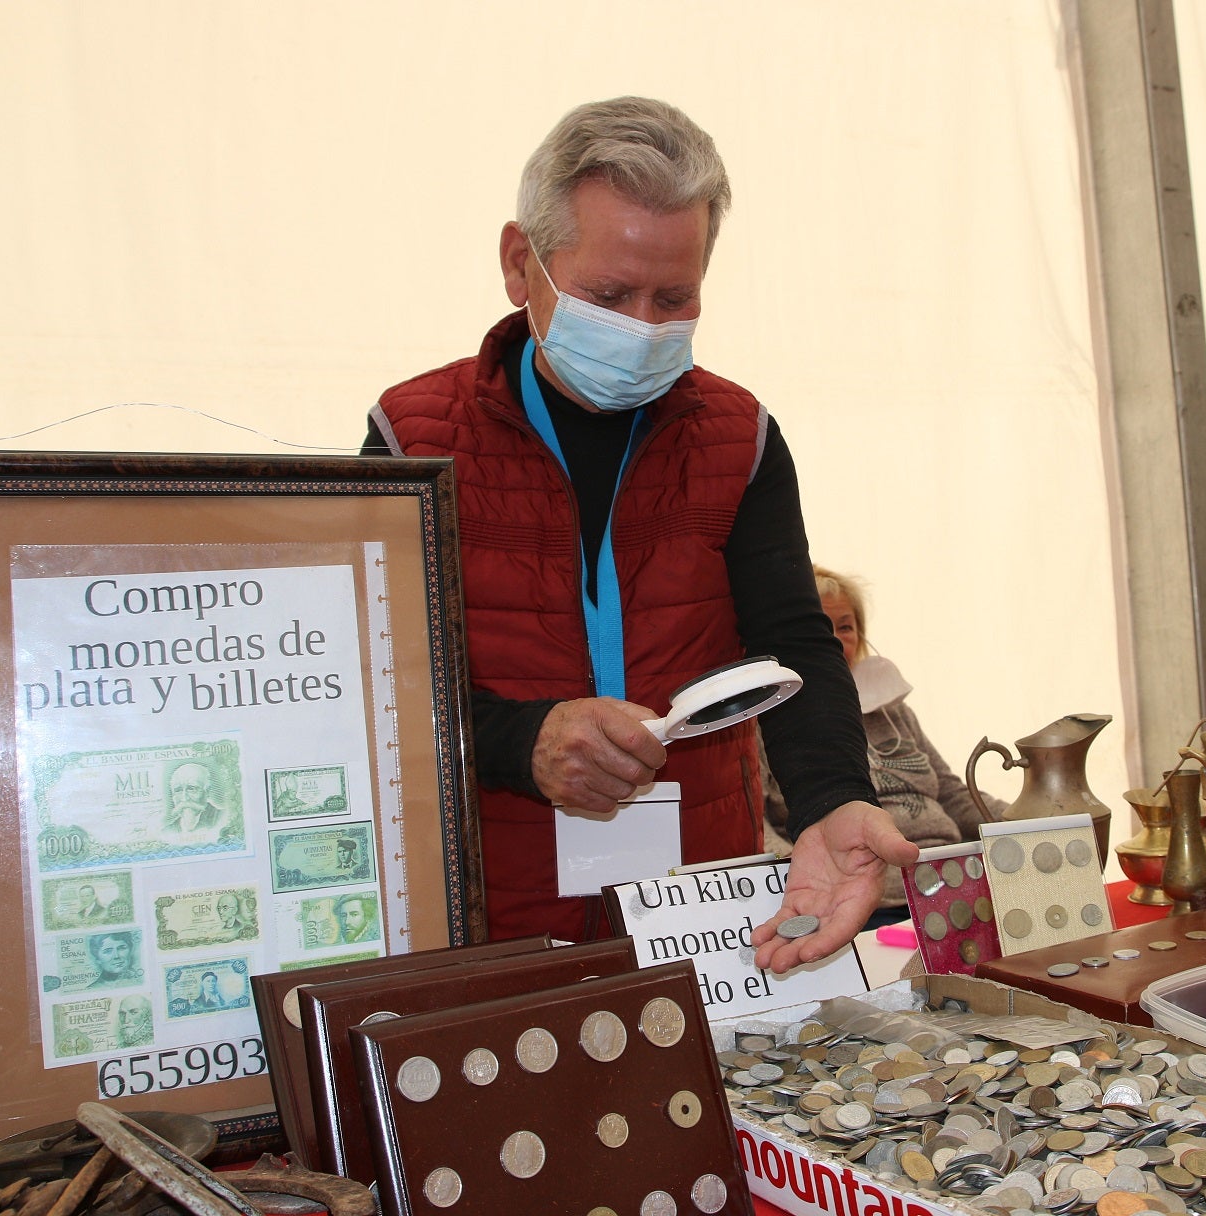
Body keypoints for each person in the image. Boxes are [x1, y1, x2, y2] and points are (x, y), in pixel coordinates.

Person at [364, 97, 913, 968]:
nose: (646, 329)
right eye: (610, 296)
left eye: (675, 297)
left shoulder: (743, 436)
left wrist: (833, 800)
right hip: (489, 903)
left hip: (697, 898)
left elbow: (794, 643)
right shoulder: (411, 437)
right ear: (522, 264)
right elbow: (375, 696)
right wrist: (521, 741)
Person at [765, 568, 1007, 929]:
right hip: (870, 900)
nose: (835, 641)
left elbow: (952, 793)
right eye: (820, 627)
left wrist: (1019, 818)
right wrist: (801, 871)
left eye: (845, 627)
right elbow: (759, 825)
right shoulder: (765, 725)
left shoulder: (893, 710)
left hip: (956, 878)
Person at [164, 762, 225, 834]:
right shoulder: (167, 831)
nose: (184, 798)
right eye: (178, 790)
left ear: (207, 791)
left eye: (191, 789)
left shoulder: (223, 819)